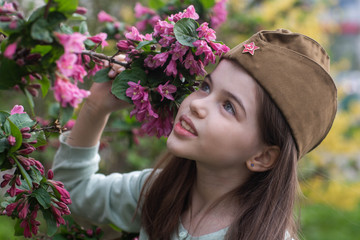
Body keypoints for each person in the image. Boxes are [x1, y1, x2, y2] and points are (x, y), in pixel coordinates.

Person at [52, 29, 337, 240]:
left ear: (263, 156)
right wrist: (95, 108)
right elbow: (71, 194)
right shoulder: (157, 192)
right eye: (205, 87)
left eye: (228, 106)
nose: (198, 104)